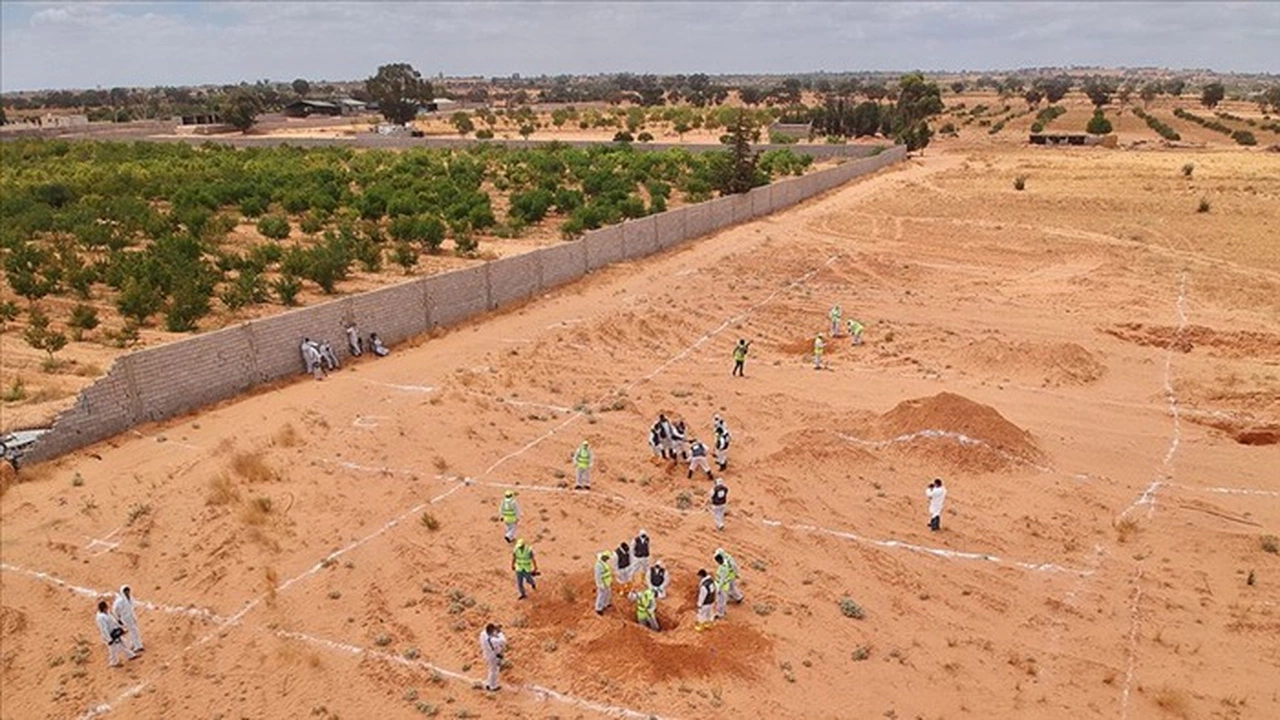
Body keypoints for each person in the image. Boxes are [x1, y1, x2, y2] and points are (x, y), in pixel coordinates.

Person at [96, 600, 136, 667]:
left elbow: (114, 622)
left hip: (114, 632)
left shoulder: (107, 613)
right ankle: (114, 662)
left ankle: (130, 655)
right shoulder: (101, 618)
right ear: (104, 608)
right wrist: (109, 639)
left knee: (123, 643)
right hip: (110, 635)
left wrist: (121, 629)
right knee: (113, 649)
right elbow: (103, 629)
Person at [713, 548, 744, 618]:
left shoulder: (724, 566)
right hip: (729, 576)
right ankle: (738, 597)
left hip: (729, 577)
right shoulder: (728, 557)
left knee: (728, 590)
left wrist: (736, 574)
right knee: (732, 587)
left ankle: (721, 612)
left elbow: (723, 578)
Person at [112, 585, 143, 652]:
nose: (127, 592)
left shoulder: (130, 597)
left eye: (128, 591)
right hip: (126, 618)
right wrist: (118, 618)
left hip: (132, 617)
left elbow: (132, 605)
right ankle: (138, 646)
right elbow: (115, 610)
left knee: (133, 630)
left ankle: (133, 644)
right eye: (126, 591)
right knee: (133, 631)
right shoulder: (119, 601)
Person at [479, 623, 507, 691]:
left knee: (491, 669)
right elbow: (503, 641)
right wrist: (500, 632)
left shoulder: (483, 634)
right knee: (494, 671)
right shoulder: (492, 640)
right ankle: (493, 686)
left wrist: (495, 631)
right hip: (493, 656)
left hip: (486, 654)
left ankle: (488, 684)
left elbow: (489, 633)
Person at [594, 551, 614, 615]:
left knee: (608, 593)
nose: (608, 559)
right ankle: (598, 608)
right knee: (601, 595)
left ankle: (606, 604)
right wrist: (600, 584)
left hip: (607, 582)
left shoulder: (604, 563)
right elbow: (598, 576)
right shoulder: (599, 565)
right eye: (607, 557)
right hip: (603, 583)